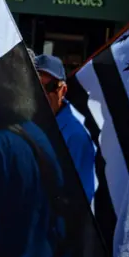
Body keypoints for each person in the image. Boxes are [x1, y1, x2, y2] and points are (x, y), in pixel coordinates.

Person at [35, 54, 96, 203]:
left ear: (63, 90)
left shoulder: (76, 136)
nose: (42, 94)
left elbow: (79, 201)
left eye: (50, 87)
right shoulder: (25, 124)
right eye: (36, 86)